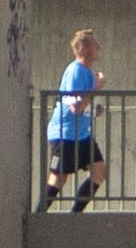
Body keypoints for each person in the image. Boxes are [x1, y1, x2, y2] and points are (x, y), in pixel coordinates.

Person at [39, 29, 104, 212]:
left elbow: (85, 105)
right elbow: (75, 106)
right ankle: (39, 212)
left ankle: (76, 212)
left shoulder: (89, 72)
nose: (98, 47)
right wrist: (96, 87)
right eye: (93, 44)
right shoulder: (75, 71)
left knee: (99, 171)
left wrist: (95, 110)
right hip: (65, 133)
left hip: (82, 134)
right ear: (82, 49)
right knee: (59, 178)